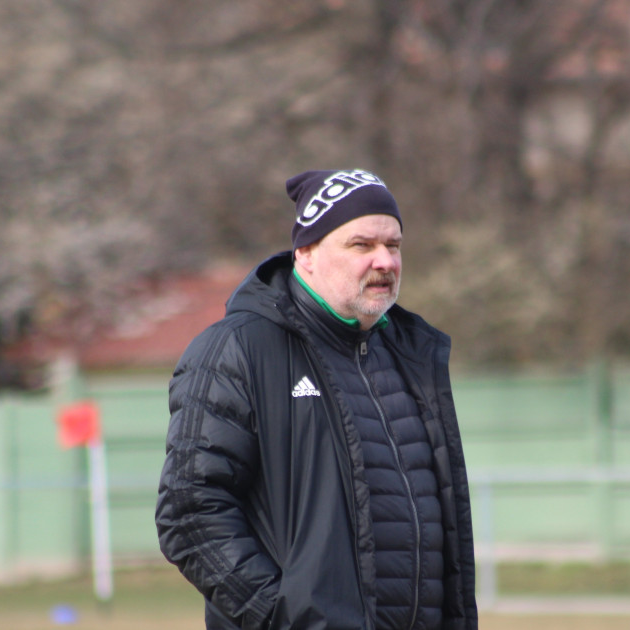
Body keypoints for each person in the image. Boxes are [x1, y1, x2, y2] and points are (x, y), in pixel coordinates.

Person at [156, 169, 477, 629]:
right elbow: (189, 513)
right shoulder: (238, 349)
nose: (385, 261)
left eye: (393, 245)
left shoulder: (411, 353)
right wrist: (284, 618)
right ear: (305, 253)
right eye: (361, 245)